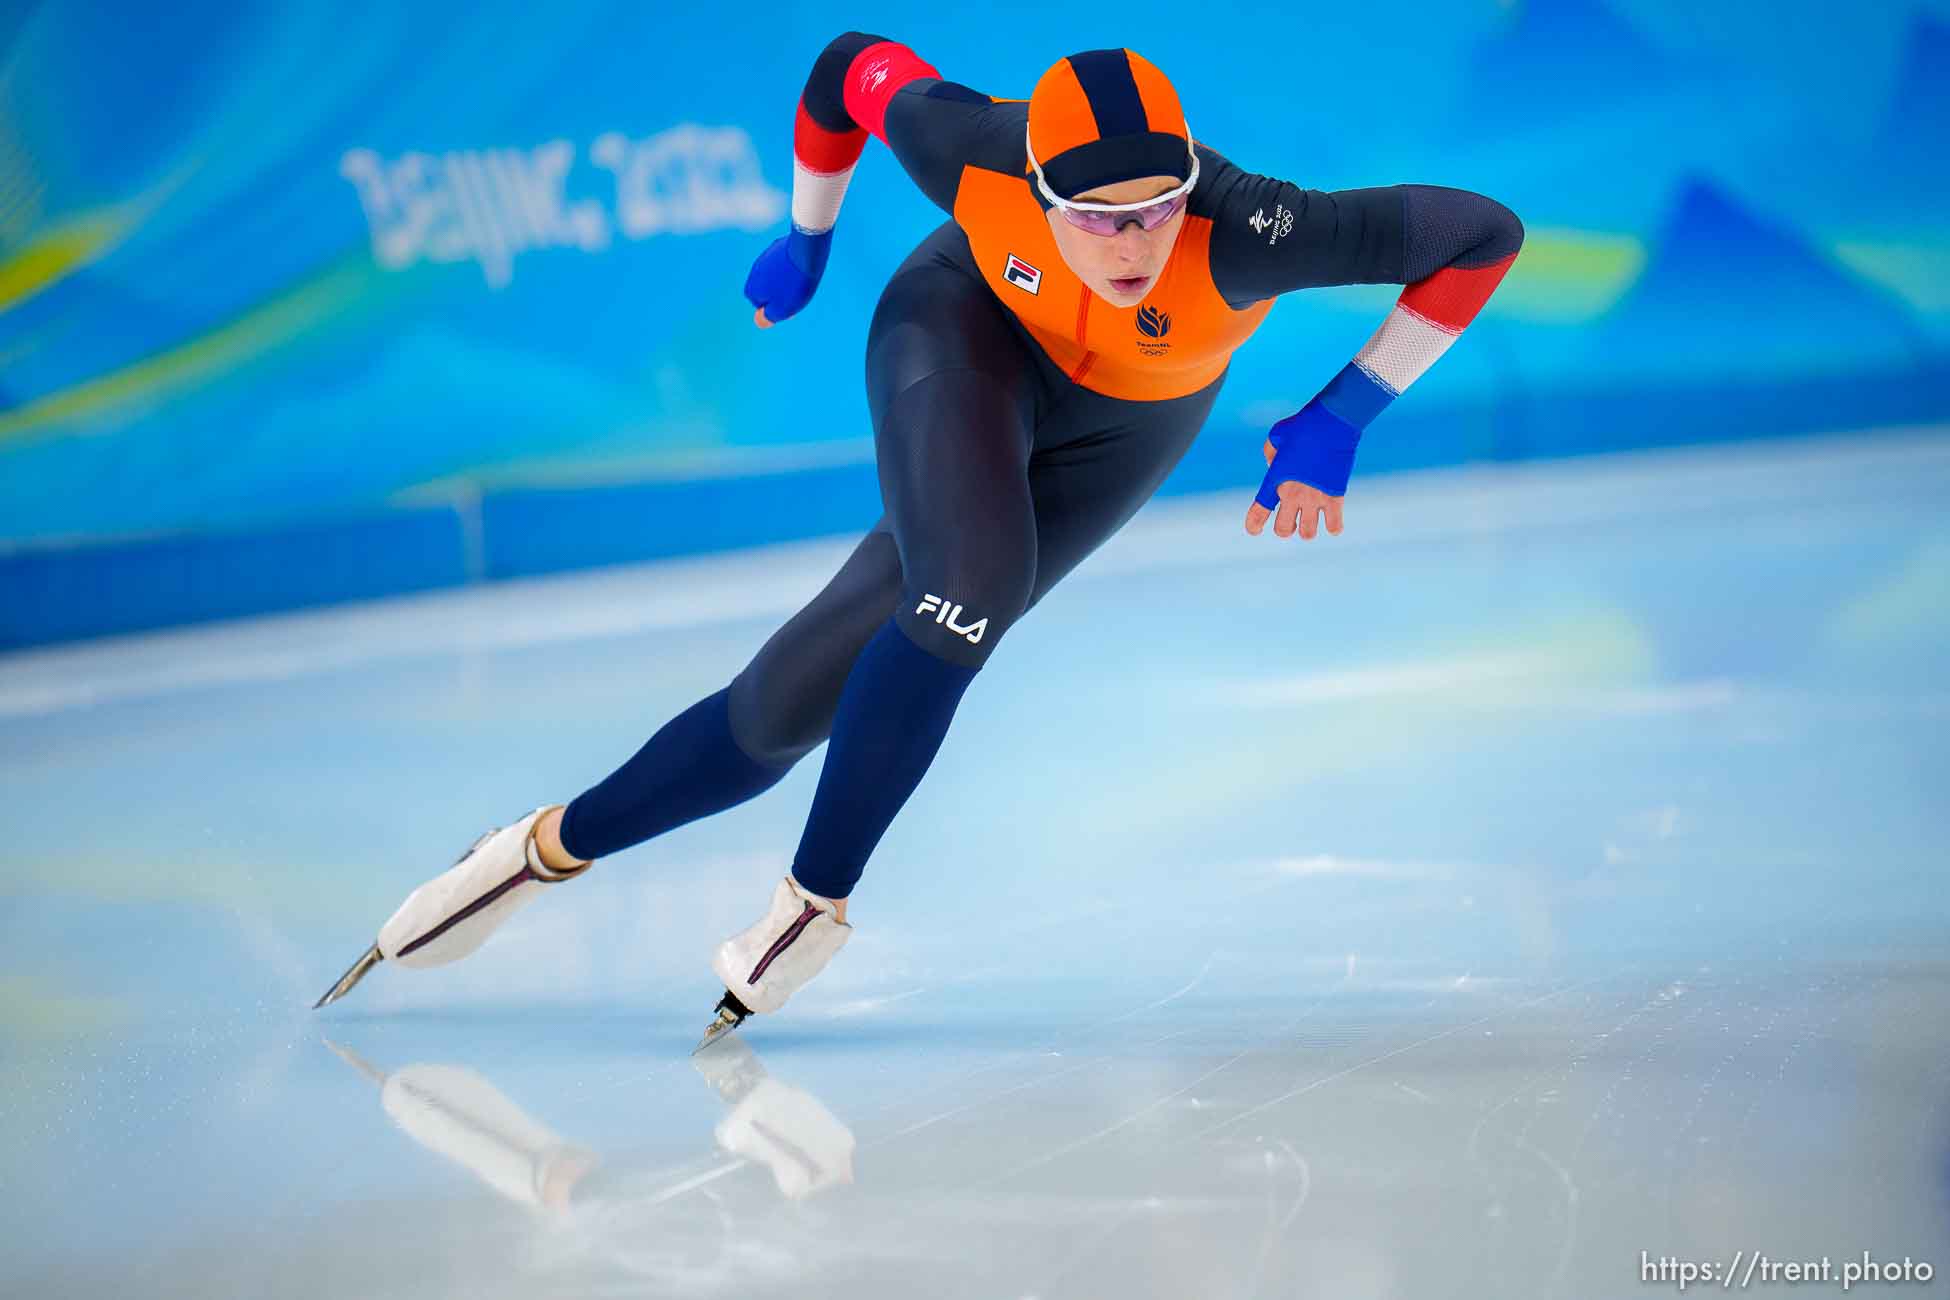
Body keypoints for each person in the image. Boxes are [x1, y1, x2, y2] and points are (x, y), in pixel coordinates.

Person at [314, 35, 1524, 1048]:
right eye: (1093, 219)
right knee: (970, 586)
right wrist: (809, 236)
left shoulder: (1260, 226)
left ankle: (536, 847)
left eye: (1154, 209)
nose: (1133, 243)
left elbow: (1482, 234)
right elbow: (848, 70)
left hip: (1136, 420)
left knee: (788, 705)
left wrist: (1346, 412)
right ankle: (812, 904)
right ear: (1038, 190)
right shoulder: (967, 146)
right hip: (962, 334)